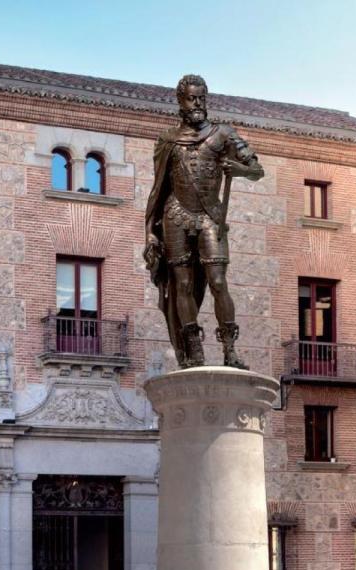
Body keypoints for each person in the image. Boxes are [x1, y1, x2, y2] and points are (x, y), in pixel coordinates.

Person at [144, 74, 265, 369]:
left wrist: (237, 168)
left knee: (219, 281)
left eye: (202, 98)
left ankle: (230, 350)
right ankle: (194, 349)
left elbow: (256, 169)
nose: (198, 103)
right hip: (175, 215)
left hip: (211, 215)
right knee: (182, 284)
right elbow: (158, 188)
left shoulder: (223, 134)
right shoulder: (167, 140)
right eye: (192, 98)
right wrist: (150, 232)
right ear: (180, 101)